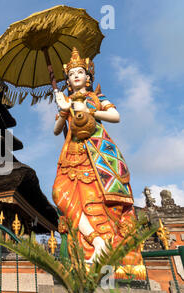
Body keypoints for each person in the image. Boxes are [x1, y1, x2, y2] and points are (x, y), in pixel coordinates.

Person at [52, 48, 144, 279]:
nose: (75, 76)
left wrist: (89, 110)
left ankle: (104, 249)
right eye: (71, 74)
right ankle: (95, 240)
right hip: (71, 155)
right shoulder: (67, 99)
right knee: (60, 194)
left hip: (98, 154)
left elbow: (116, 116)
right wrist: (63, 111)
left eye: (80, 72)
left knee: (95, 201)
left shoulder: (96, 97)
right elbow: (56, 131)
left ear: (88, 76)